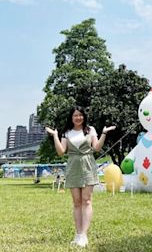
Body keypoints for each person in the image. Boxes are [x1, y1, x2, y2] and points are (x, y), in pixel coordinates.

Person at [46, 106, 116, 248]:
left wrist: (103, 133)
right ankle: (77, 234)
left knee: (87, 200)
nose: (78, 118)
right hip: (73, 166)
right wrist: (55, 136)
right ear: (71, 118)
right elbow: (61, 152)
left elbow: (96, 148)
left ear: (84, 117)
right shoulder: (67, 132)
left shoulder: (90, 130)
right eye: (75, 115)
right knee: (77, 202)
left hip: (88, 164)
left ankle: (84, 235)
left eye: (80, 115)